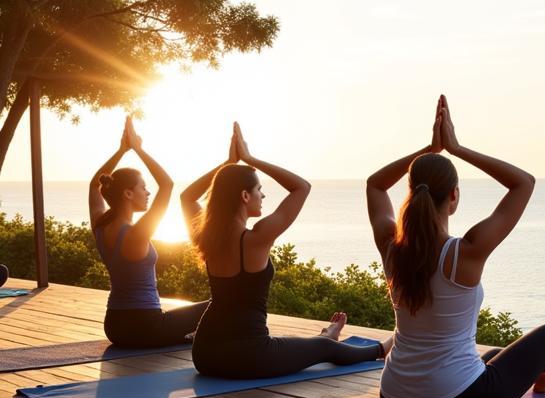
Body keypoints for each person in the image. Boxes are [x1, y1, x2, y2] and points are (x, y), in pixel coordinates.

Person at [367, 95, 545, 398]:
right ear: (453, 196)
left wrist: (429, 150)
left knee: (491, 358)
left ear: (411, 192)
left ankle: (540, 376)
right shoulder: (466, 251)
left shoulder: (390, 245)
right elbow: (524, 183)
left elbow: (374, 185)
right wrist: (456, 148)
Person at [182, 123, 384, 378]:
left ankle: (326, 336)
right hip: (250, 356)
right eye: (259, 190)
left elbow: (187, 198)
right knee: (324, 348)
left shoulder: (206, 238)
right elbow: (301, 187)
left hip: (205, 354)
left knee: (304, 344)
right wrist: (249, 159)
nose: (263, 196)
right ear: (245, 196)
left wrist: (227, 164)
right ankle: (381, 348)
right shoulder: (257, 237)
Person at [89, 117, 209, 348]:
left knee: (190, 325)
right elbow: (167, 184)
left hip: (114, 326)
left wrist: (121, 151)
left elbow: (95, 185)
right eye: (143, 188)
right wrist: (137, 149)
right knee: (220, 303)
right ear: (127, 193)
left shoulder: (100, 226)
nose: (148, 192)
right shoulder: (136, 233)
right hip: (145, 326)